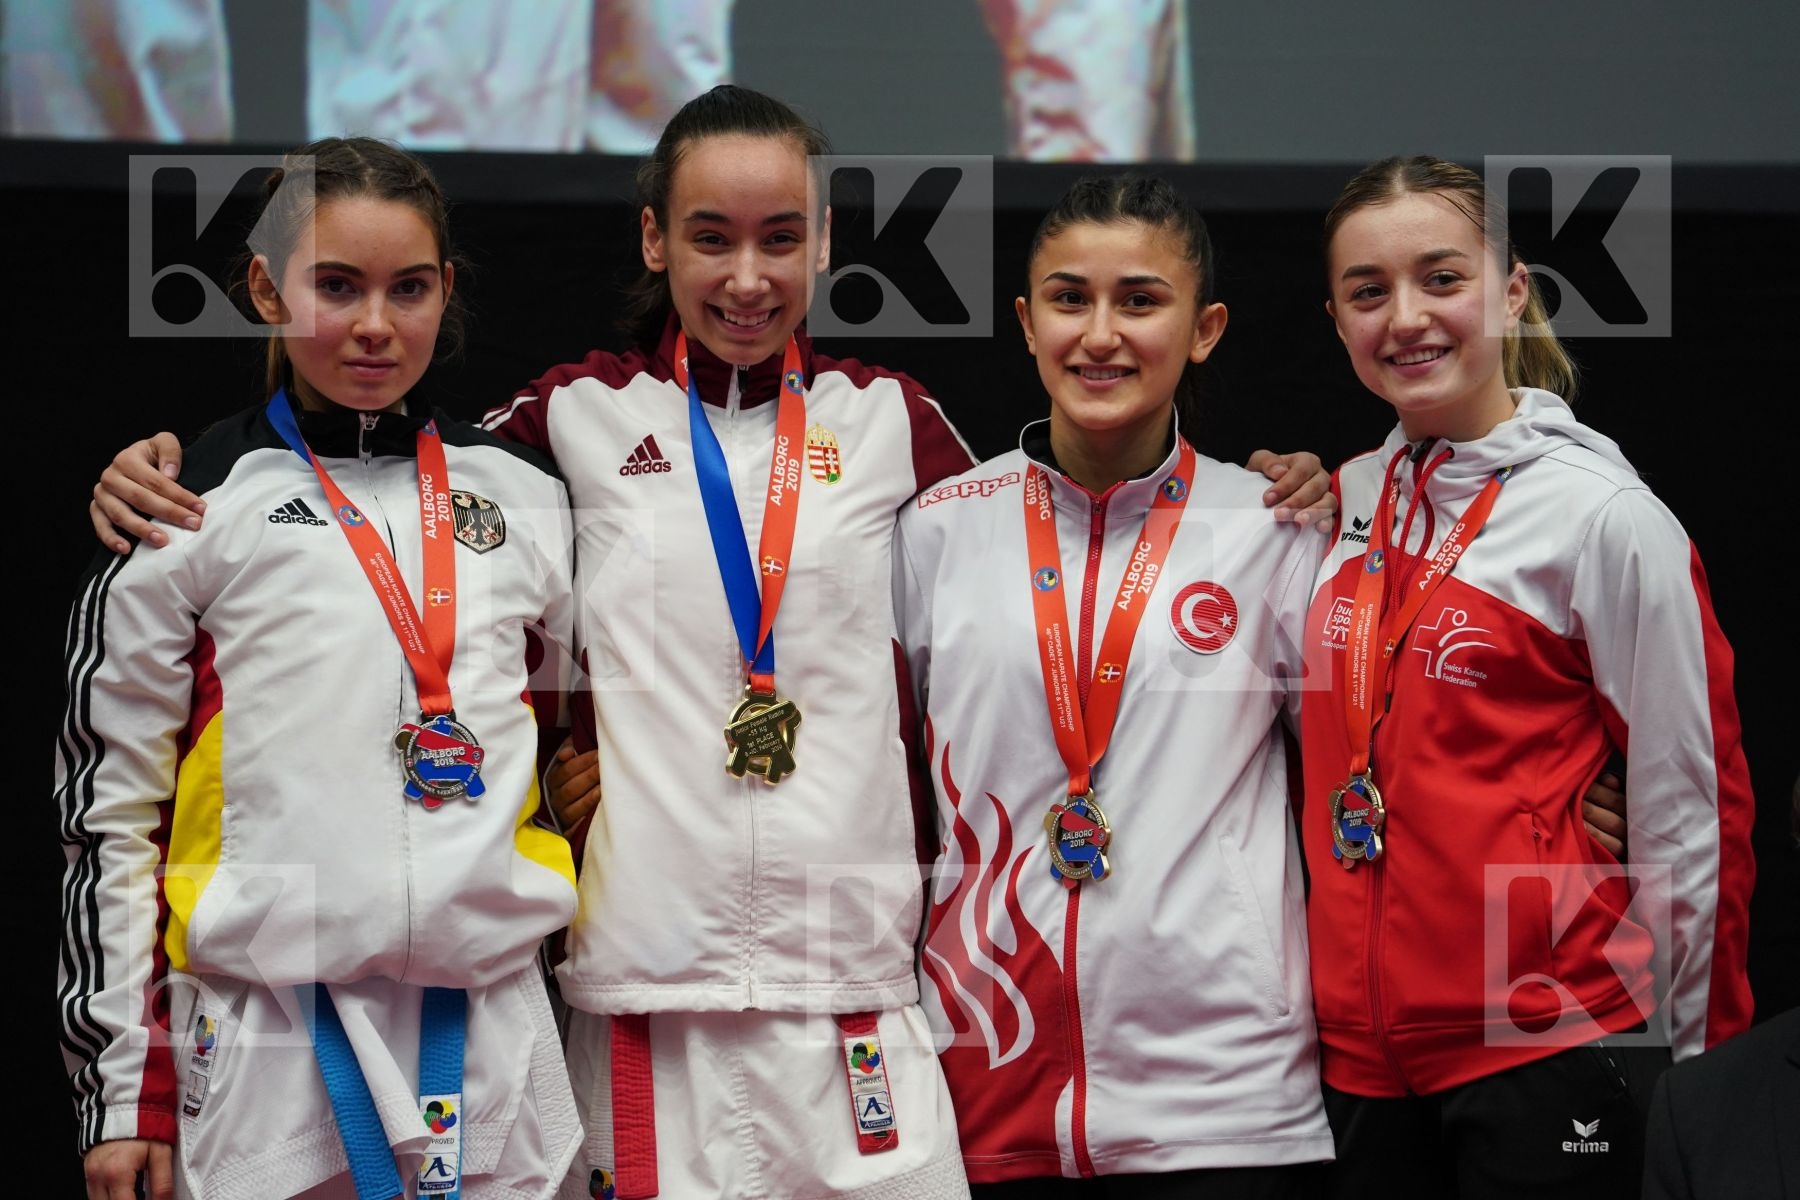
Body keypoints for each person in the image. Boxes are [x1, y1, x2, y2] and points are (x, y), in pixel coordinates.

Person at [86, 86, 1337, 1199]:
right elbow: (397, 518)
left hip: (856, 988)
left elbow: (1062, 532)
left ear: (825, 242)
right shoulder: (560, 426)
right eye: (710, 238)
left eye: (781, 238)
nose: (747, 277)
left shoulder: (897, 424)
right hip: (643, 989)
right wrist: (174, 463)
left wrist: (1267, 483)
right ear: (652, 241)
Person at [57, 137, 583, 1199]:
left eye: (411, 288)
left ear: (448, 293)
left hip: (492, 1034)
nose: (377, 325)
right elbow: (111, 815)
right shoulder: (187, 503)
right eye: (336, 286)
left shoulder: (528, 493)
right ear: (264, 287)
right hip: (264, 1045)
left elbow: (596, 714)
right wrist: (126, 1094)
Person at [1300, 154, 1756, 1199]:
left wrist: (1697, 1084)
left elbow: (1697, 812)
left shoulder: (1603, 516)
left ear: (1511, 292)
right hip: (1361, 1059)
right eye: (1369, 292)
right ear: (1335, 322)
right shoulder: (1342, 507)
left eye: (1442, 278)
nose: (1405, 317)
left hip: (1550, 1039)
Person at [893, 173, 1333, 1196]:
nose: (1101, 334)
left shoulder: (1273, 530)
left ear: (1205, 326)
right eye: (1068, 298)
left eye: (1140, 300)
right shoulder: (937, 530)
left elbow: (1372, 764)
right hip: (987, 1079)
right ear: (1025, 320)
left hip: (1229, 1107)